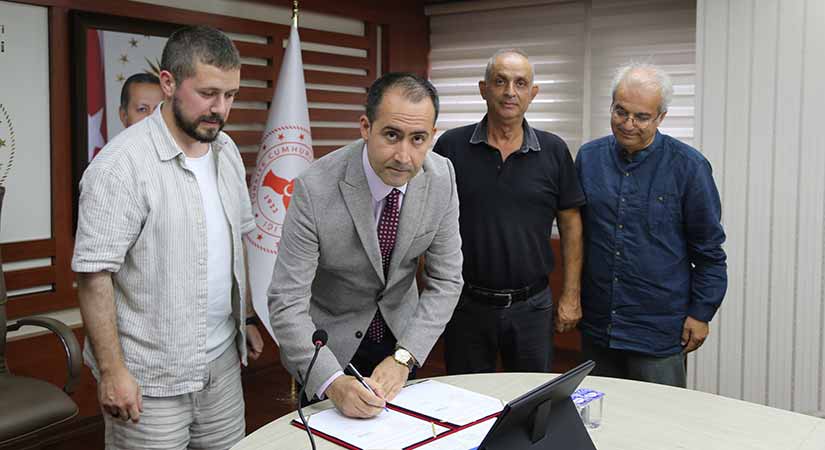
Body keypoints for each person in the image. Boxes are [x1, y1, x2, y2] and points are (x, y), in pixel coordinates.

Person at [73, 25, 264, 449]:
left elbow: (236, 243)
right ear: (168, 83)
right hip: (149, 378)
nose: (220, 109)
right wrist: (112, 371)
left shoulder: (227, 151)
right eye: (208, 93)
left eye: (230, 95)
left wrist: (247, 316)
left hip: (221, 366)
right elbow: (93, 275)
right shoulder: (120, 167)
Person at [268, 72, 463, 419]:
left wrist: (405, 356)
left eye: (418, 139)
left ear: (432, 136)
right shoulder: (314, 188)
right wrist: (331, 381)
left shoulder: (442, 177)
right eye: (392, 135)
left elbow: (447, 281)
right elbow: (286, 301)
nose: (404, 156)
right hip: (327, 346)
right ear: (365, 127)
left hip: (400, 340)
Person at [433, 49, 585, 375]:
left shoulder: (554, 150)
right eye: (500, 81)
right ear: (483, 89)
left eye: (520, 83)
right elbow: (427, 220)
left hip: (532, 307)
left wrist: (571, 295)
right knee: (466, 397)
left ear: (533, 93)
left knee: (534, 397)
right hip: (466, 304)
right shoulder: (451, 147)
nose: (510, 92)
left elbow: (571, 224)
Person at [575, 63, 727, 387]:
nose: (628, 124)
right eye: (620, 111)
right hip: (599, 326)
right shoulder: (588, 158)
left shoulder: (690, 167)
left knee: (659, 417)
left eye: (641, 117)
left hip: (659, 332)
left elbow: (710, 252)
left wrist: (701, 313)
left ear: (661, 117)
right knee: (597, 413)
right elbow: (577, 236)